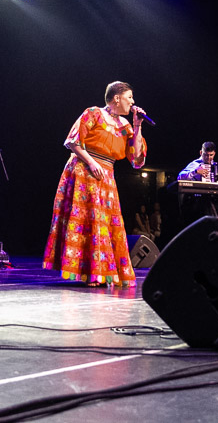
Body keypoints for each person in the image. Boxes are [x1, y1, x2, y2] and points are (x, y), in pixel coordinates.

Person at [43, 81, 147, 287]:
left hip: (106, 175)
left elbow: (136, 159)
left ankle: (101, 272)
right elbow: (71, 141)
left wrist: (137, 125)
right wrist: (91, 162)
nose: (133, 102)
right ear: (116, 98)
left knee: (106, 224)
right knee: (89, 221)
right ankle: (90, 273)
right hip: (84, 170)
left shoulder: (126, 126)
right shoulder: (94, 114)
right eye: (129, 97)